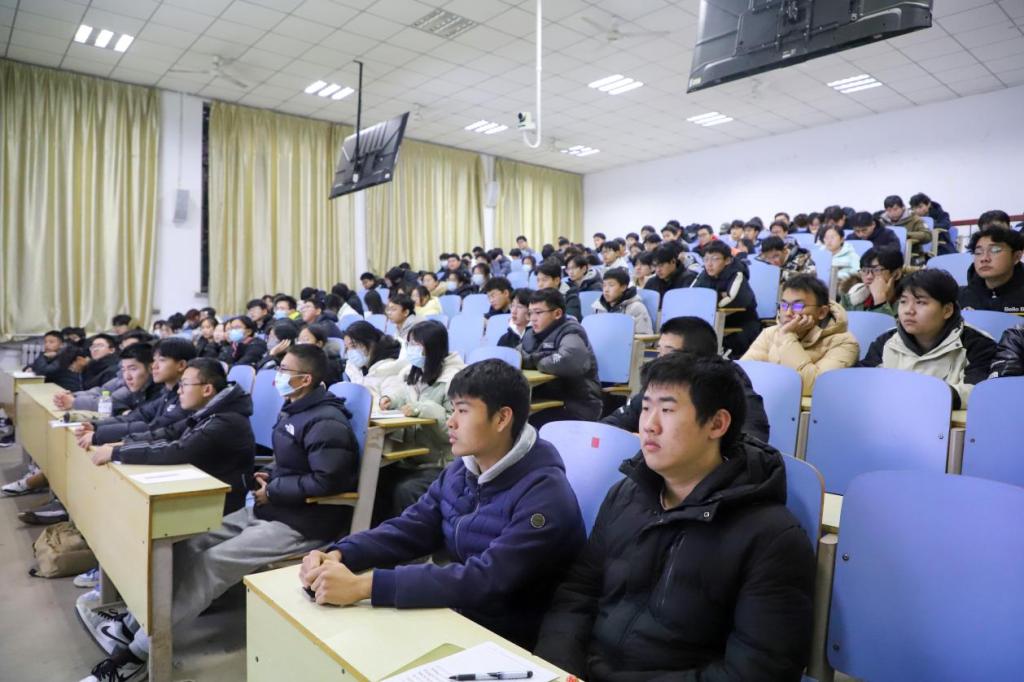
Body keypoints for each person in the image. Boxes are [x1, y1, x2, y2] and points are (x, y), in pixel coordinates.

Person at [79, 346, 359, 682]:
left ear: (305, 379)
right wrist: (271, 478)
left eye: (284, 370)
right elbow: (295, 466)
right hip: (272, 508)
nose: (277, 375)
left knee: (212, 562)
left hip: (304, 523)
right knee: (186, 543)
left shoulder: (326, 422)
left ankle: (136, 654)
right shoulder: (294, 410)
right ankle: (134, 624)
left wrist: (274, 489)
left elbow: (328, 481)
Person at [535, 352, 815, 680]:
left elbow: (758, 670)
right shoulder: (625, 495)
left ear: (717, 424)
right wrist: (559, 669)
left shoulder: (771, 537)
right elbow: (578, 594)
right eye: (646, 408)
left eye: (667, 410)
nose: (649, 425)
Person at [299, 359, 586, 649]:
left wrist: (365, 586)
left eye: (463, 410)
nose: (451, 421)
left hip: (513, 637)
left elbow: (487, 579)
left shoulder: (545, 495)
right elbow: (413, 527)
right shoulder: (461, 469)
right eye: (452, 409)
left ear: (502, 418)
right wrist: (341, 553)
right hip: (461, 613)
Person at [86, 358, 255, 513]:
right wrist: (124, 443)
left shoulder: (225, 421)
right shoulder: (207, 412)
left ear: (207, 389)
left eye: (185, 385)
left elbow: (179, 451)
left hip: (219, 504)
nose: (179, 391)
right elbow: (169, 432)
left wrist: (117, 453)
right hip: (197, 489)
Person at [602, 316, 770, 443]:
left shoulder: (734, 391)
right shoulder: (662, 385)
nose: (659, 359)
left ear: (698, 357)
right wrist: (633, 439)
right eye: (659, 351)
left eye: (669, 352)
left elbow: (752, 447)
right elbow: (610, 425)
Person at [861, 269, 997, 408]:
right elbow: (862, 384)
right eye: (903, 301)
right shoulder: (885, 341)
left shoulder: (978, 345)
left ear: (947, 310)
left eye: (920, 302)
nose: (909, 310)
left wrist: (924, 395)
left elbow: (979, 393)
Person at [375, 321, 466, 521]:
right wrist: (391, 400)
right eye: (409, 344)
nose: (411, 349)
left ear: (432, 347)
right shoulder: (414, 371)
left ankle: (410, 538)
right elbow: (402, 392)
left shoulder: (454, 380)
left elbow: (456, 430)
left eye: (416, 344)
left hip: (441, 462)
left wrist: (422, 409)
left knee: (405, 489)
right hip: (411, 457)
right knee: (375, 479)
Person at [742, 274, 859, 395]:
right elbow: (742, 375)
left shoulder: (845, 343)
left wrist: (787, 337)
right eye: (784, 305)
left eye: (798, 306)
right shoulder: (770, 333)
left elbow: (815, 387)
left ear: (822, 312)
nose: (788, 312)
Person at [77, 337, 197, 449]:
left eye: (161, 360)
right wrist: (95, 426)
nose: (154, 366)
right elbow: (138, 415)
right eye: (154, 360)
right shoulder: (167, 393)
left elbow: (154, 427)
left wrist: (99, 434)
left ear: (181, 365)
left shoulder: (188, 397)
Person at [518, 289, 602, 426]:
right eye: (530, 313)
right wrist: (539, 359)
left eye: (538, 312)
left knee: (523, 427)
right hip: (545, 400)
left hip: (577, 405)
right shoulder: (530, 335)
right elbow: (516, 357)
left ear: (557, 313)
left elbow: (568, 359)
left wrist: (536, 361)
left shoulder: (571, 331)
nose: (533, 318)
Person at [690, 241, 761, 357]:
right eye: (706, 259)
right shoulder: (704, 274)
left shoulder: (737, 274)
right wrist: (719, 295)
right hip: (713, 323)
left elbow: (732, 300)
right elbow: (691, 296)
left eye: (715, 259)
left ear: (727, 260)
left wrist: (711, 298)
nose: (709, 264)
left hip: (741, 325)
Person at [958, 226, 1024, 313]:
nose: (984, 258)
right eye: (978, 252)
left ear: (1016, 257)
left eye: (995, 250)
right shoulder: (959, 297)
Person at [342, 321, 407, 399]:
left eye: (354, 346)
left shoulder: (389, 367)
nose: (350, 352)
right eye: (347, 348)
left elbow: (393, 394)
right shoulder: (355, 367)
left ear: (371, 343)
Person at [841, 247, 904, 316]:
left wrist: (880, 301)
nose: (869, 276)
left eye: (877, 270)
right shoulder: (851, 299)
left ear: (896, 274)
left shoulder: (908, 304)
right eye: (864, 270)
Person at [591, 267, 653, 334]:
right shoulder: (598, 307)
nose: (606, 290)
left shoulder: (636, 308)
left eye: (611, 285)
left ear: (623, 287)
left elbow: (645, 337)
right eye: (604, 285)